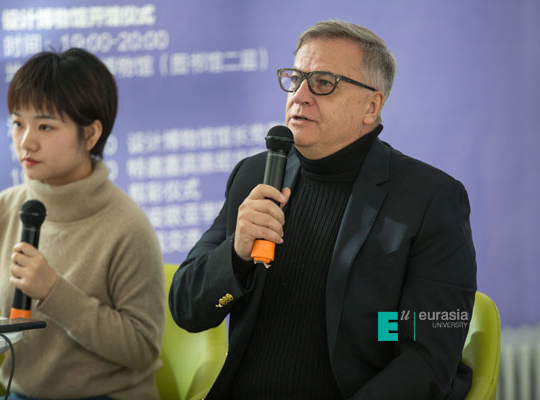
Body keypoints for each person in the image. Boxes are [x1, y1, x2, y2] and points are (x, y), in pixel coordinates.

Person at [169, 20, 477, 399]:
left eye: (323, 83)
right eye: (295, 79)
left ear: (371, 106)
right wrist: (235, 254)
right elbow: (186, 309)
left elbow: (428, 357)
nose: (300, 96)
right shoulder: (255, 175)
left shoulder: (428, 199)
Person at [0, 48, 165, 399]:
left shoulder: (128, 226)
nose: (25, 141)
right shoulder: (6, 208)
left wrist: (53, 292)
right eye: (18, 123)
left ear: (90, 135)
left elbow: (141, 348)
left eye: (44, 126)